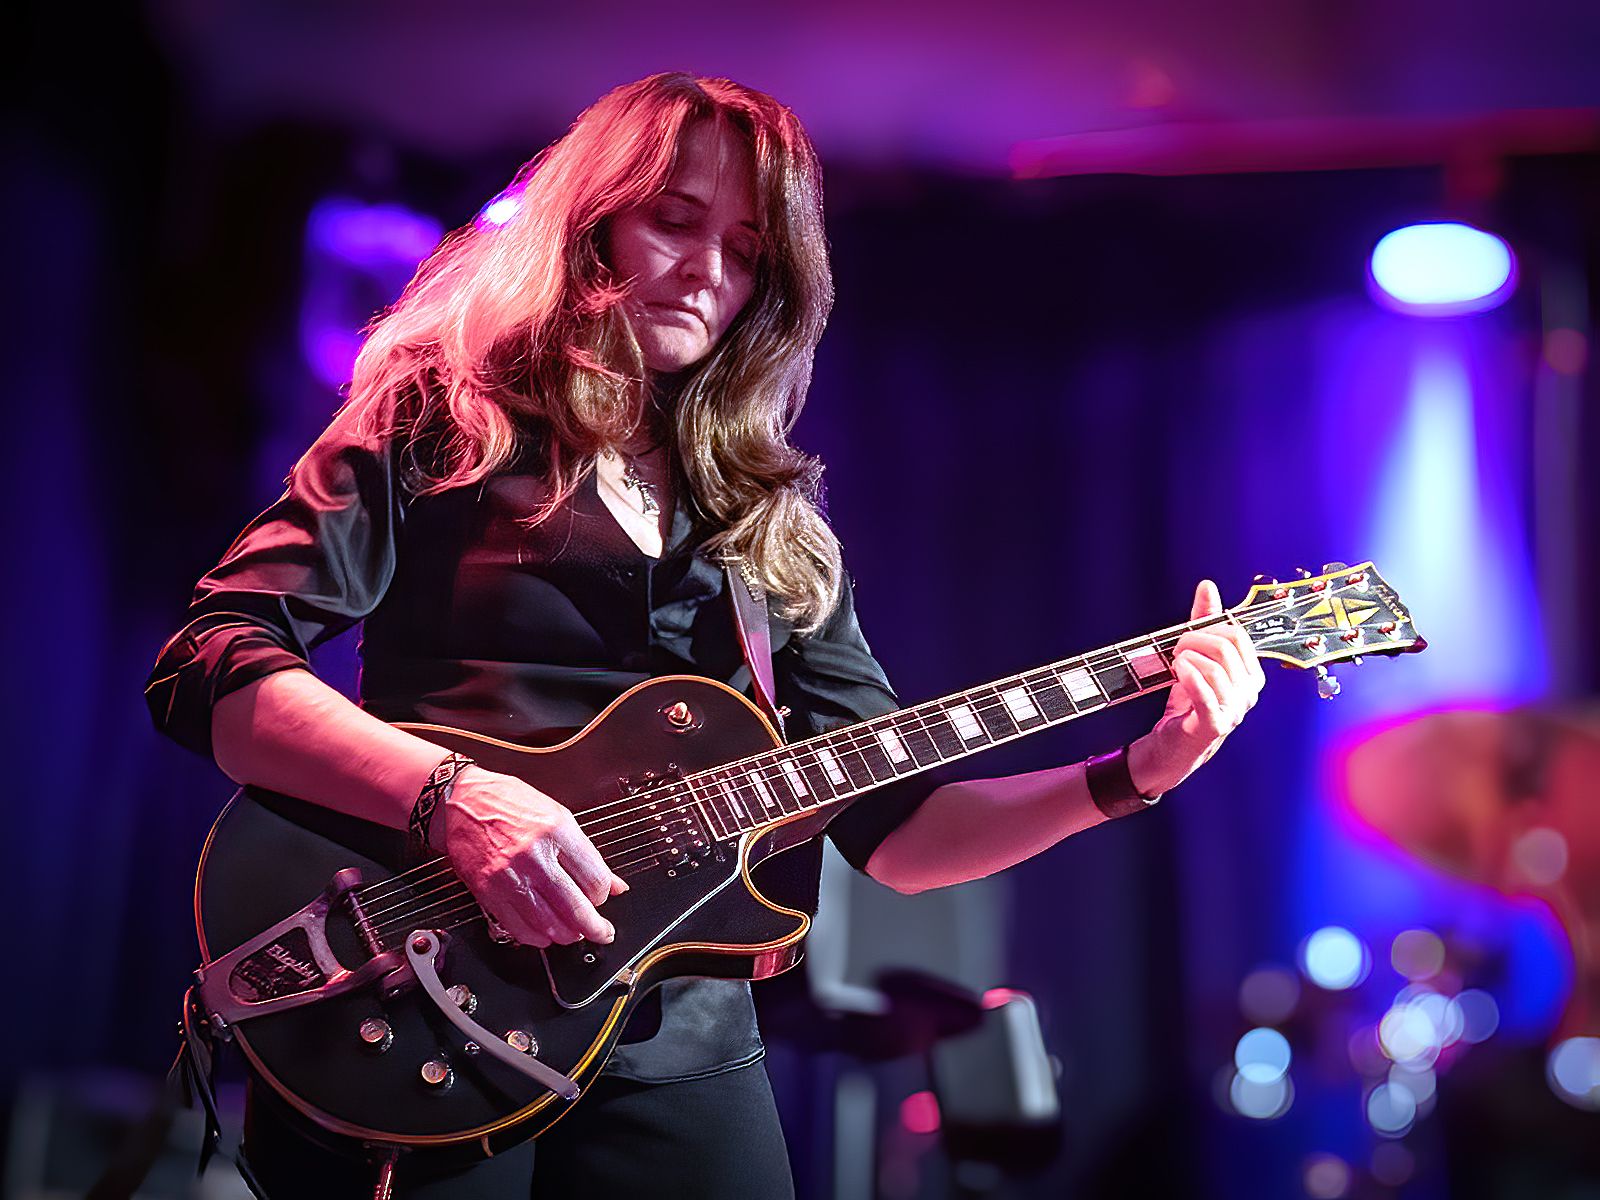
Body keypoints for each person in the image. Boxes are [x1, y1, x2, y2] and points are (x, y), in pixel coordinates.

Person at [145, 72, 1264, 1199]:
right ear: (590, 227)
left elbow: (899, 833)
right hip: (419, 982)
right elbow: (212, 665)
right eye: (675, 223)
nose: (708, 271)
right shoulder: (446, 415)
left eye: (746, 251)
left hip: (677, 1035)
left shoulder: (768, 525)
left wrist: (1131, 774)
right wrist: (451, 797)